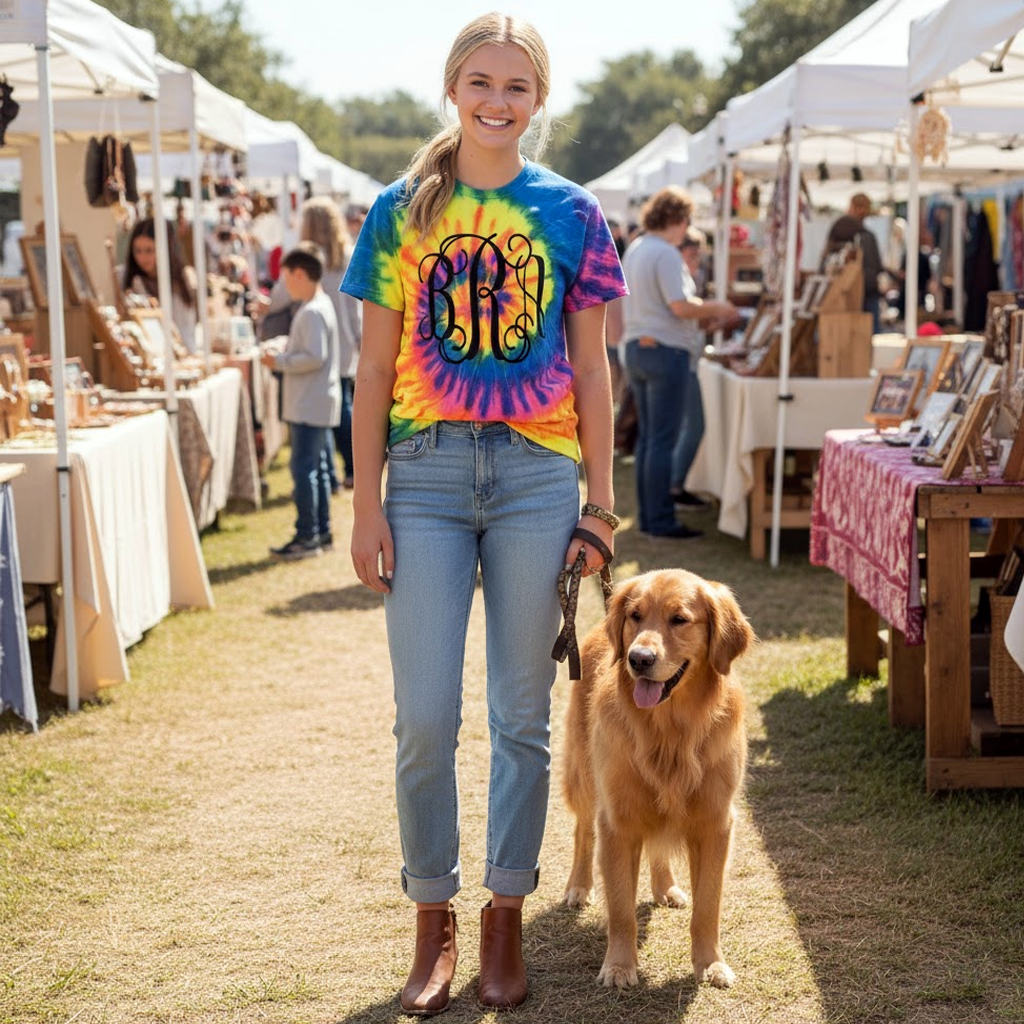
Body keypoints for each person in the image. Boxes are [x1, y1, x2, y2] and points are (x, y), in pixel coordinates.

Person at [341, 12, 626, 1015]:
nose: (496, 102)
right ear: (452, 89)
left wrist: (601, 502)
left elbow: (592, 367)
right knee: (422, 718)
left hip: (539, 480)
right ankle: (434, 918)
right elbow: (372, 369)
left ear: (538, 100)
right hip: (419, 481)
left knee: (521, 718)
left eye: (516, 87)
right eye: (479, 82)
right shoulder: (398, 211)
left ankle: (505, 914)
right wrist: (365, 502)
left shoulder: (574, 215)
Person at [621, 186, 736, 538]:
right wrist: (720, 307)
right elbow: (679, 306)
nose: (687, 227)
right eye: (687, 219)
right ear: (678, 219)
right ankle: (659, 520)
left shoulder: (638, 248)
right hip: (664, 352)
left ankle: (651, 516)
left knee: (650, 440)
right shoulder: (666, 253)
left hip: (638, 348)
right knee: (662, 440)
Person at [262, 242, 341, 560]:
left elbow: (313, 356)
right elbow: (310, 349)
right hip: (316, 401)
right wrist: (285, 347)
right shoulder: (319, 306)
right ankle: (320, 532)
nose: (283, 286)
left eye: (285, 279)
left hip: (309, 403)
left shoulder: (310, 311)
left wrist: (279, 362)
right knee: (318, 469)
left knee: (305, 470)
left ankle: (308, 534)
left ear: (298, 274)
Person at [294, 197, 361, 489]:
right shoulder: (346, 255)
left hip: (320, 336)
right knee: (344, 405)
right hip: (345, 339)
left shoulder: (308, 260)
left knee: (326, 409)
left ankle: (334, 472)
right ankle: (350, 468)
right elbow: (354, 306)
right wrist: (360, 339)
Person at [670, 227, 712, 511]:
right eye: (692, 254)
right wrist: (715, 309)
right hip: (679, 357)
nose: (695, 262)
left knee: (685, 425)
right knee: (692, 424)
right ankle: (674, 485)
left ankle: (674, 484)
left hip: (684, 354)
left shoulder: (679, 271)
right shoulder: (672, 270)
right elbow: (681, 311)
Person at [122, 218, 198, 352]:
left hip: (187, 352)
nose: (143, 257)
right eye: (137, 251)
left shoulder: (184, 277)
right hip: (158, 355)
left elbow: (187, 324)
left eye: (149, 250)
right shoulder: (135, 282)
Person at [821, 192, 883, 333]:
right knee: (865, 333)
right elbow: (877, 266)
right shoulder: (855, 232)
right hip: (857, 292)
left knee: (860, 333)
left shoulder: (862, 235)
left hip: (858, 292)